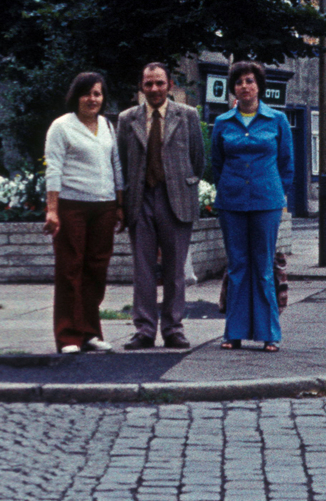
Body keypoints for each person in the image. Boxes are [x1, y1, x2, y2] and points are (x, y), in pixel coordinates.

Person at [117, 62, 206, 350]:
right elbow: (121, 161)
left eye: (159, 83)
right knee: (142, 268)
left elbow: (198, 158)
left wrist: (185, 184)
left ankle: (173, 329)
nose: (154, 89)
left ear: (169, 85)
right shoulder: (127, 119)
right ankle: (144, 329)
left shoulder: (188, 115)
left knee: (174, 269)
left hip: (175, 199)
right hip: (140, 199)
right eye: (148, 84)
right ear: (141, 87)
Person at [211, 61, 292, 352]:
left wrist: (277, 193)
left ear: (259, 86)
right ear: (233, 88)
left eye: (250, 81)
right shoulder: (222, 123)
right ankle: (233, 332)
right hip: (231, 202)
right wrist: (230, 186)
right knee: (237, 266)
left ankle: (269, 333)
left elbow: (286, 164)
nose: (245, 86)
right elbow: (217, 164)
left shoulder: (277, 120)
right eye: (239, 82)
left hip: (266, 201)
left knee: (263, 266)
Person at [44, 71, 123, 354]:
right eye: (87, 93)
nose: (93, 99)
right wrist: (52, 211)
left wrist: (119, 204)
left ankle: (90, 333)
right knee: (70, 269)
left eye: (98, 93)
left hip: (103, 207)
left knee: (96, 269)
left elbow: (116, 167)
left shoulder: (107, 126)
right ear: (76, 96)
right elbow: (53, 169)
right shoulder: (61, 127)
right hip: (71, 206)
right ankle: (68, 336)